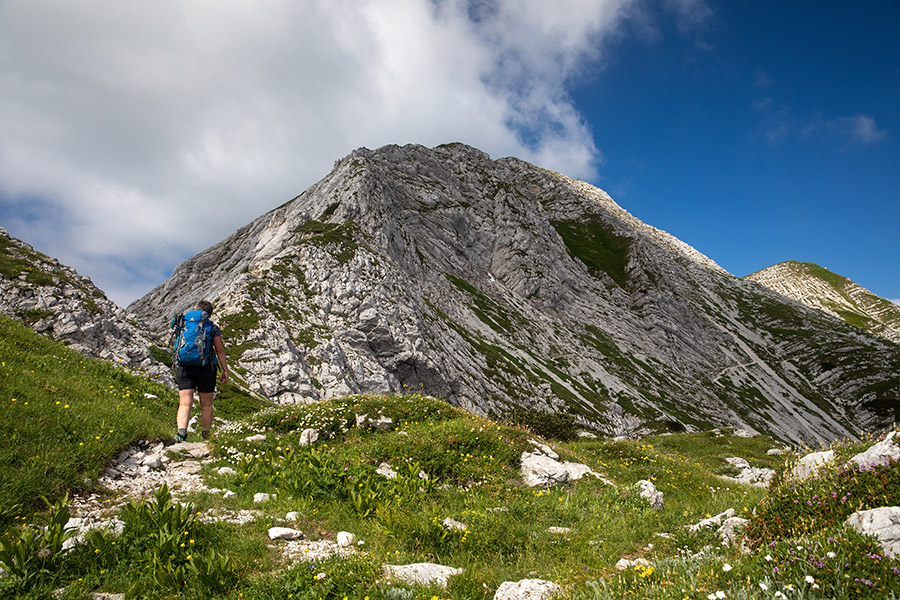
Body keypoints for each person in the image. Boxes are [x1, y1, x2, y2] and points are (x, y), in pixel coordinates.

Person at [174, 300, 229, 442]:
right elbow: (220, 350)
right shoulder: (211, 327)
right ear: (209, 314)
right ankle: (206, 436)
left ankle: (181, 435)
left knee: (185, 403)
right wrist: (225, 370)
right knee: (207, 404)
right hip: (206, 369)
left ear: (196, 310)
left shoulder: (184, 323)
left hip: (185, 367)